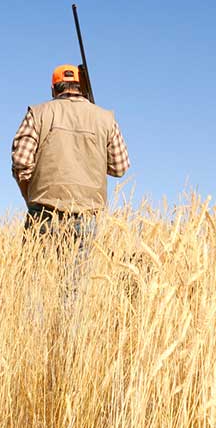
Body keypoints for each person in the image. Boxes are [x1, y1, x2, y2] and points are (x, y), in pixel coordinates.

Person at [11, 64, 129, 296]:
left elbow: (21, 162)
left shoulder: (38, 112)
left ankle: (34, 332)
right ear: (82, 87)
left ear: (54, 89)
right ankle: (70, 332)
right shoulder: (105, 118)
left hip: (43, 211)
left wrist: (29, 195)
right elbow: (119, 167)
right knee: (75, 287)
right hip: (86, 215)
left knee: (35, 284)